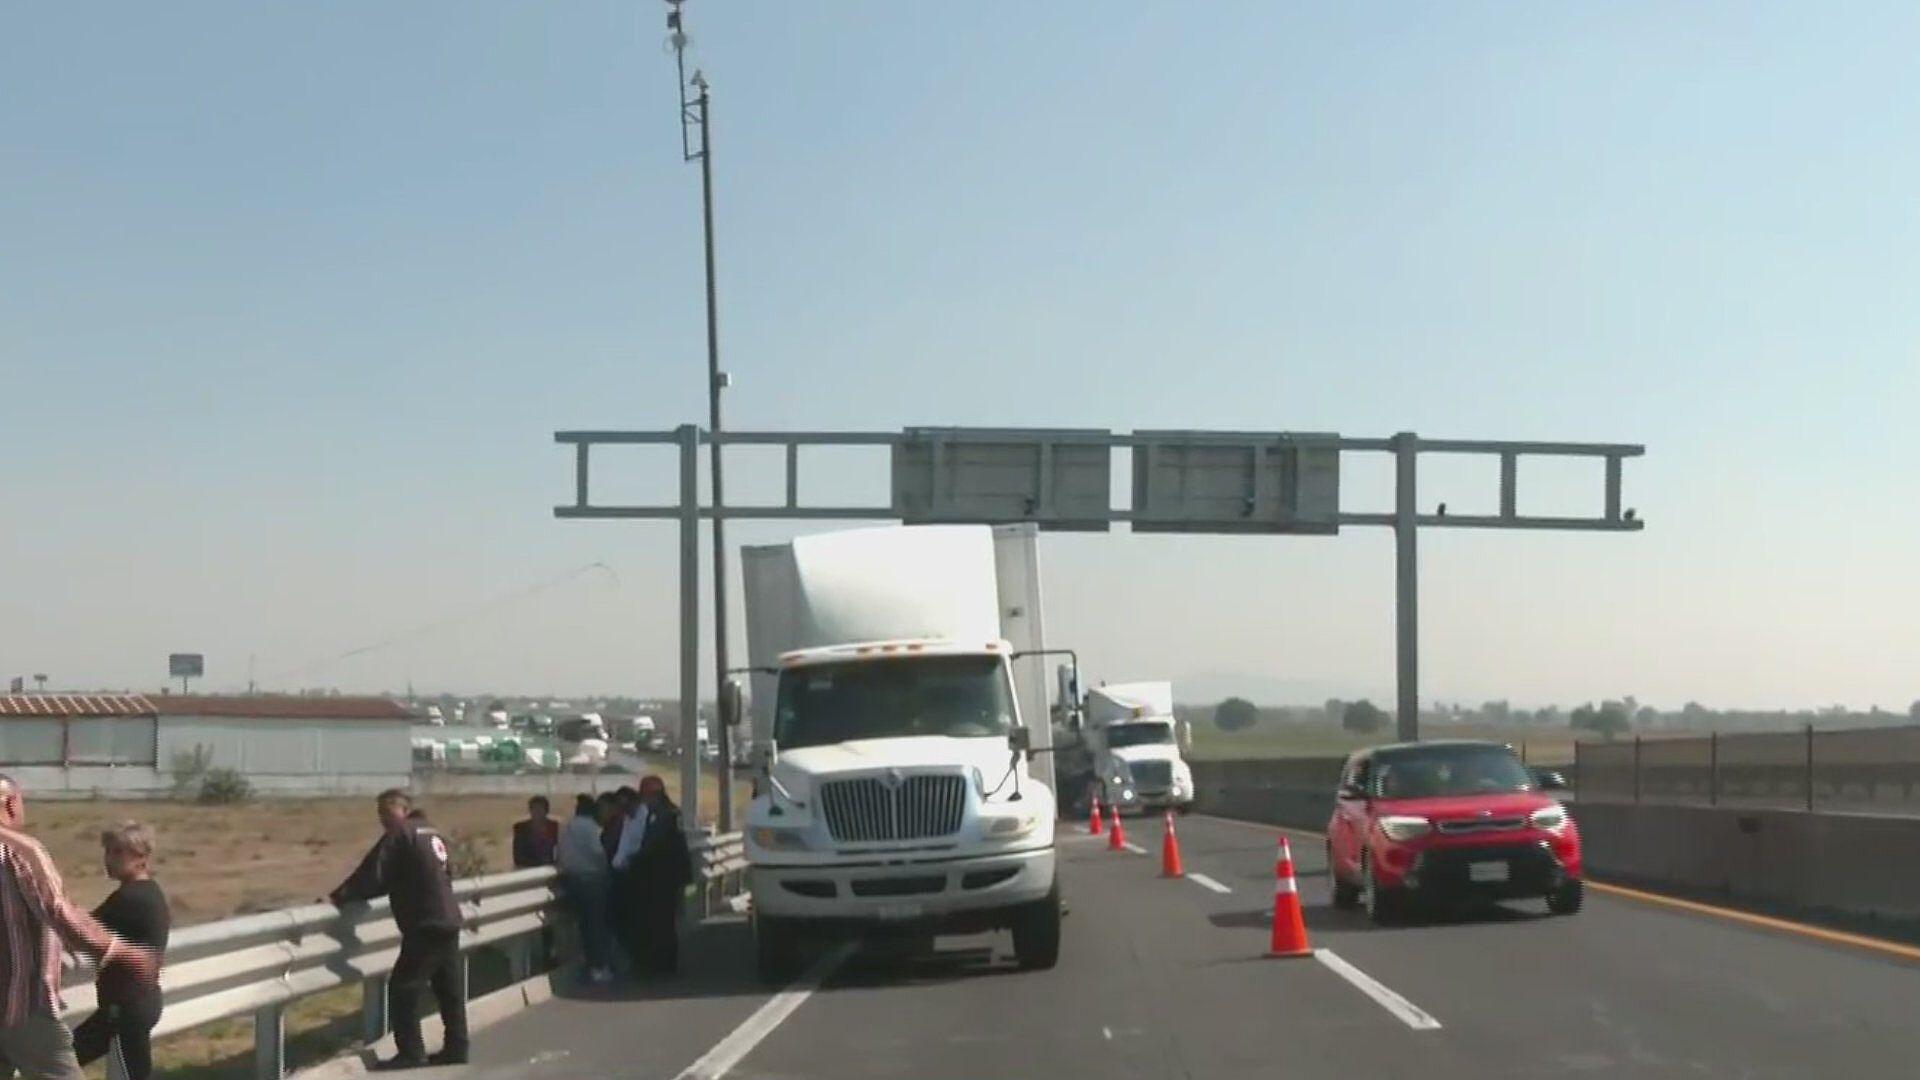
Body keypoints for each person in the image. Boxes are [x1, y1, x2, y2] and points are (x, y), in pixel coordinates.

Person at [0, 773, 157, 1080]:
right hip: (20, 1007)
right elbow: (59, 912)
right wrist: (123, 953)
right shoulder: (21, 852)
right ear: (10, 804)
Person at [329, 790, 466, 1071]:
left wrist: (340, 897)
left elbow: (373, 873)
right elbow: (447, 872)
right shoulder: (432, 832)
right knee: (448, 988)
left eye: (386, 812)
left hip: (424, 921)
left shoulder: (401, 833)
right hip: (449, 918)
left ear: (401, 809)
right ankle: (457, 1047)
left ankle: (411, 1052)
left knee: (404, 989)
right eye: (380, 814)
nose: (382, 820)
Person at [72, 822, 170, 1080]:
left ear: (141, 858)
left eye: (117, 853)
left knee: (62, 1063)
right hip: (131, 1004)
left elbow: (79, 929)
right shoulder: (148, 892)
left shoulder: (131, 899)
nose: (109, 860)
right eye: (108, 852)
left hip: (127, 1007)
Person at [613, 775, 694, 976]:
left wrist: (635, 859)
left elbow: (655, 845)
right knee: (660, 922)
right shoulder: (660, 813)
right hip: (660, 878)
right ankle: (660, 963)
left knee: (662, 923)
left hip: (663, 878)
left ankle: (662, 965)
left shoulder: (666, 815)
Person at [555, 794, 613, 984]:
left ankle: (584, 962)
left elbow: (560, 854)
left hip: (570, 880)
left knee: (581, 925)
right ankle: (599, 966)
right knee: (596, 924)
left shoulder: (565, 827)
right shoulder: (591, 828)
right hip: (592, 879)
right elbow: (598, 853)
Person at [511, 796, 559, 870]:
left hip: (550, 868)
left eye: (540, 808)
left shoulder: (554, 827)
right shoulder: (521, 828)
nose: (537, 812)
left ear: (546, 810)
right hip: (527, 868)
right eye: (534, 808)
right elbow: (518, 856)